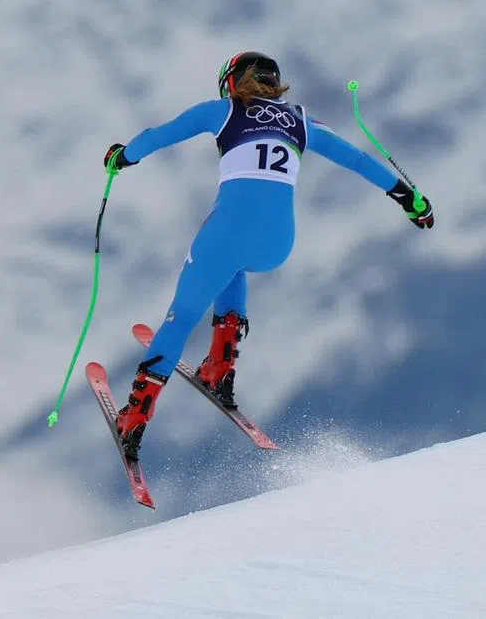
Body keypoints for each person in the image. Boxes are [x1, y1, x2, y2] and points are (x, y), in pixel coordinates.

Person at [103, 51, 434, 459]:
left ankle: (134, 419)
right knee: (233, 267)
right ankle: (220, 367)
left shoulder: (222, 111)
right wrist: (410, 199)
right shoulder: (300, 121)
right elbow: (359, 159)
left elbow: (158, 134)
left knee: (182, 316)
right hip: (278, 244)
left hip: (226, 236)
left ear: (233, 81)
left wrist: (123, 156)